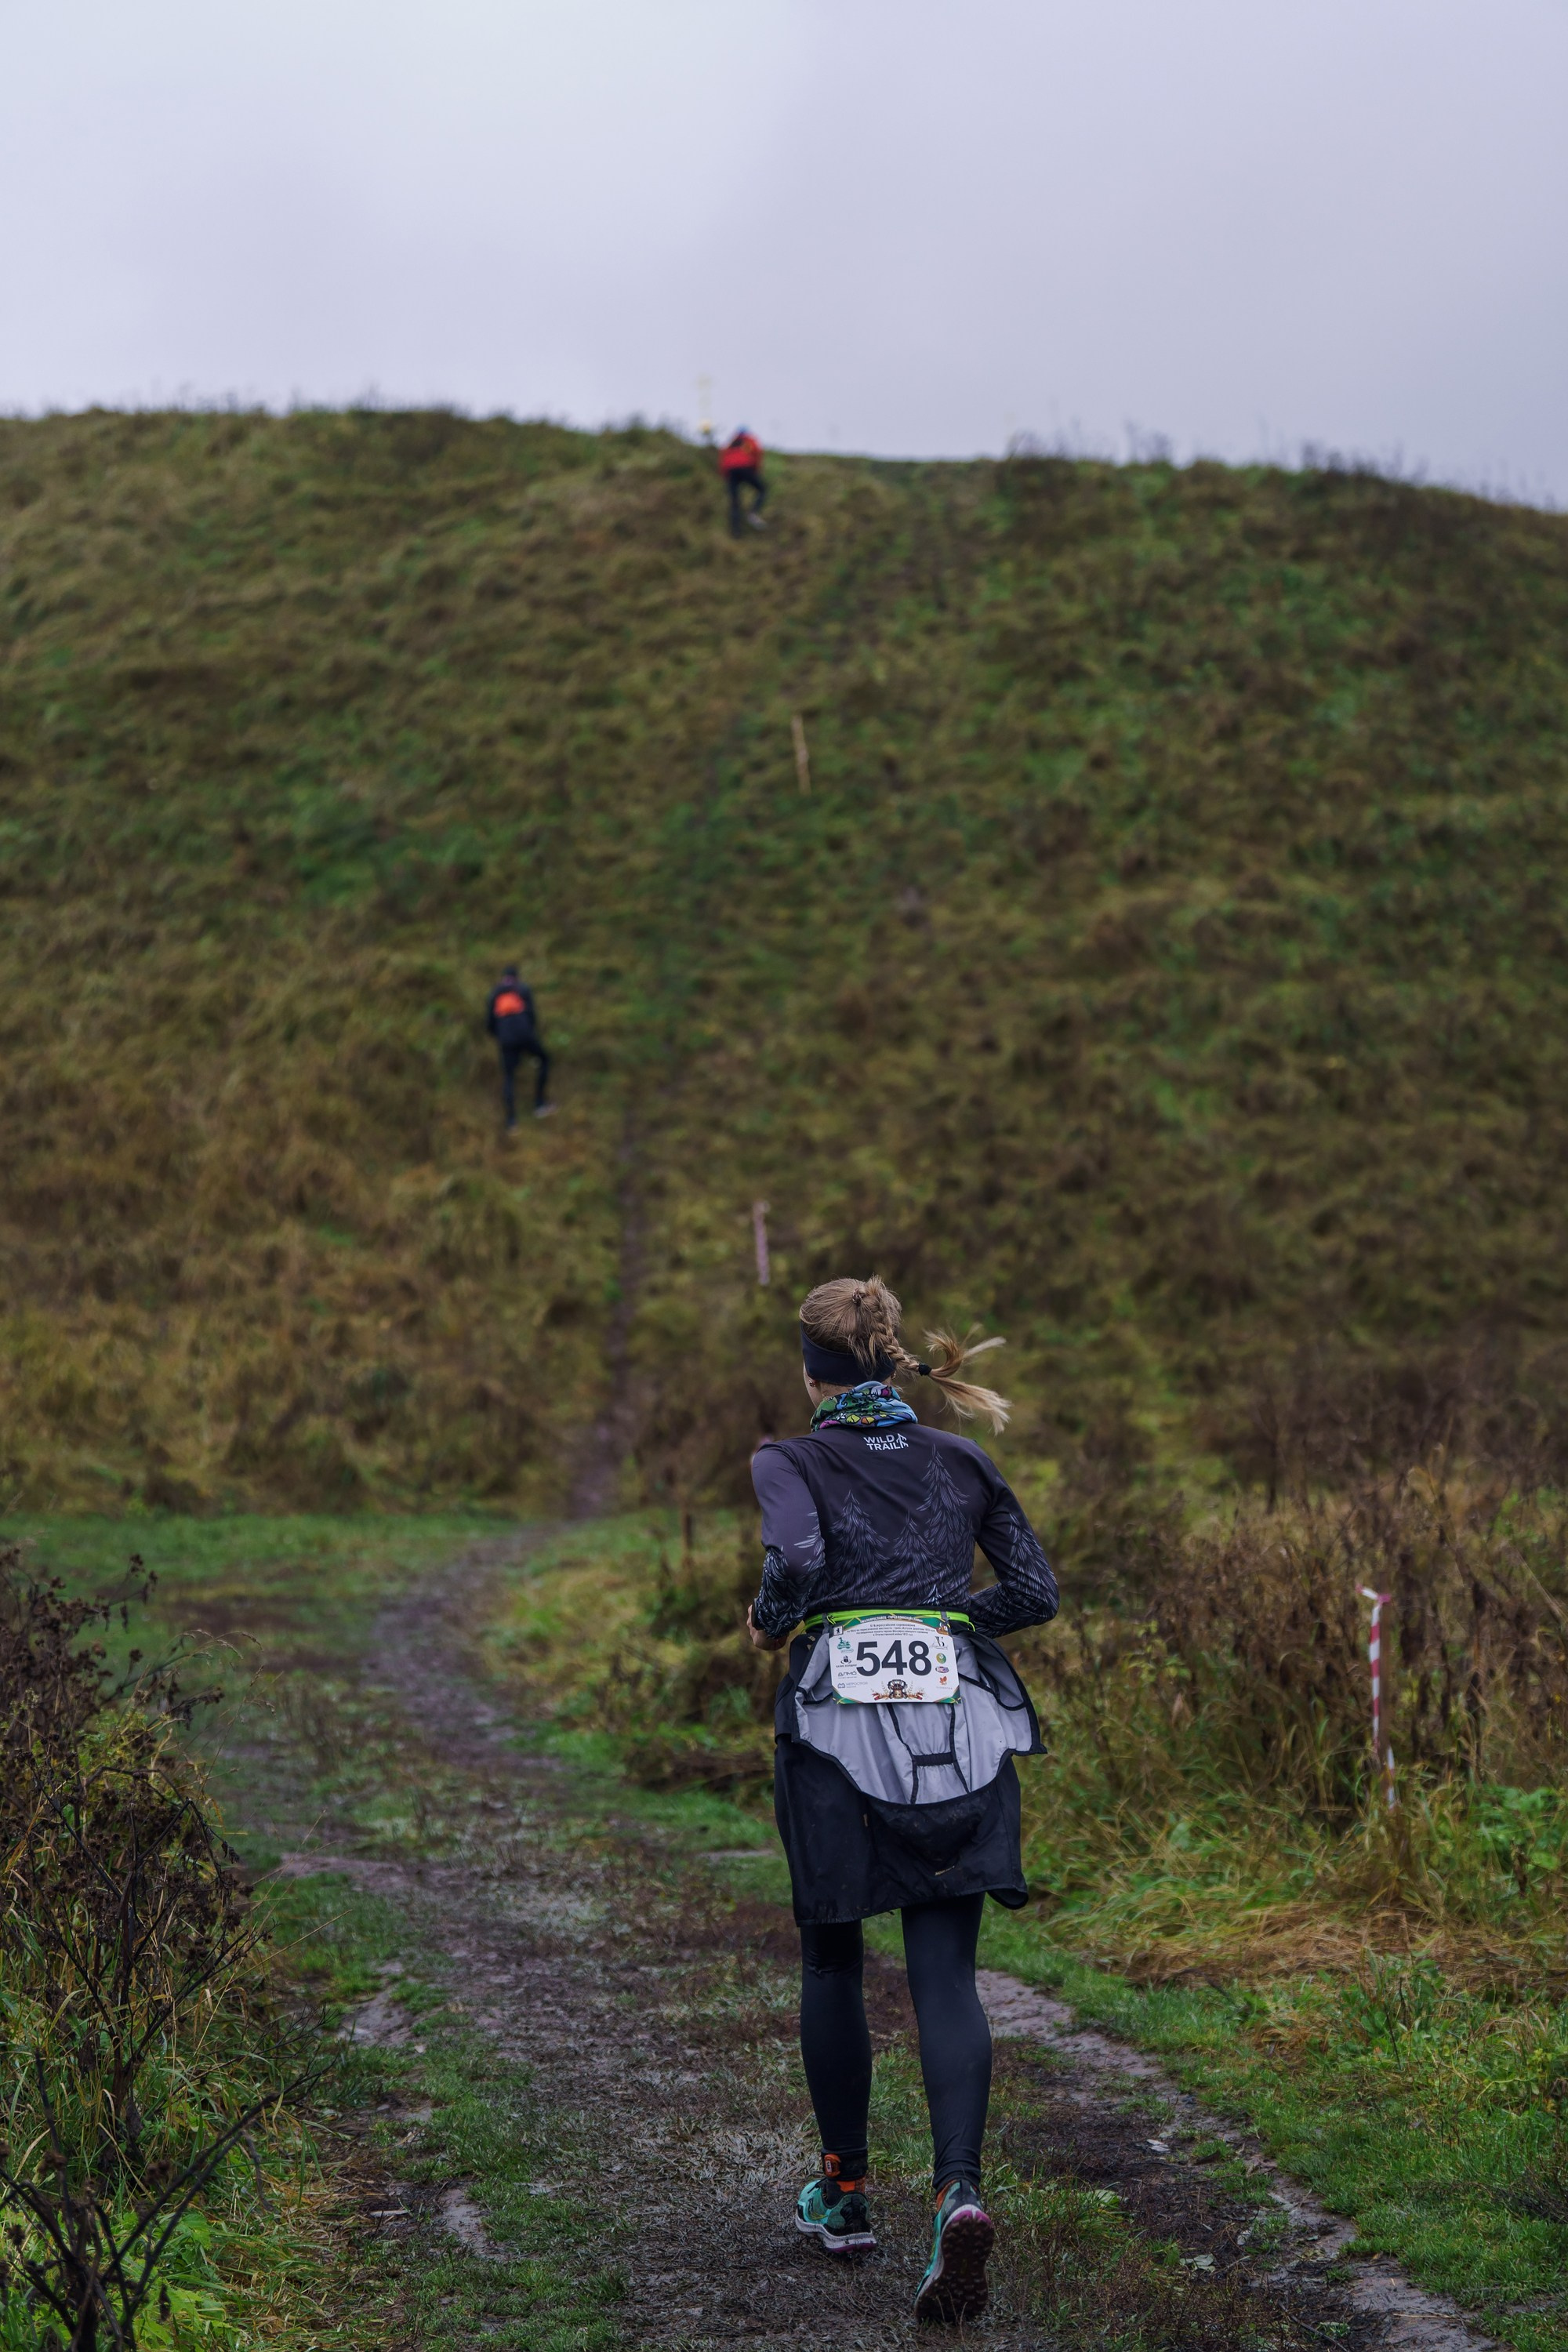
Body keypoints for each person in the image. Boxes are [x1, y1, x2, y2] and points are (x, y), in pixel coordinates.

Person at [746, 1276, 1058, 2325]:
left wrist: (771, 1616)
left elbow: (794, 1557)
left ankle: (844, 2192)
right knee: (947, 1969)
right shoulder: (961, 1455)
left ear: (810, 1372)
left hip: (836, 1725)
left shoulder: (788, 1459)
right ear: (892, 1364)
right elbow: (1035, 1594)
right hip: (960, 1725)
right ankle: (958, 2193)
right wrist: (943, 1623)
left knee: (834, 1953)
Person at [485, 966, 554, 1127]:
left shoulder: (494, 994)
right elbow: (531, 1016)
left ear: (503, 978)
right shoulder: (522, 989)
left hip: (506, 1040)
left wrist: (501, 1036)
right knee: (544, 1060)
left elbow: (489, 1024)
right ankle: (540, 1104)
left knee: (509, 1076)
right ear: (517, 977)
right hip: (525, 1036)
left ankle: (511, 1121)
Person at [718, 426, 767, 535]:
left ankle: (736, 532)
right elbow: (757, 453)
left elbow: (723, 459)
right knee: (762, 489)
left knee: (735, 502)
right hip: (745, 468)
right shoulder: (749, 440)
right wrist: (756, 471)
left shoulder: (730, 443)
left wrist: (726, 476)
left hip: (731, 472)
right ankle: (753, 513)